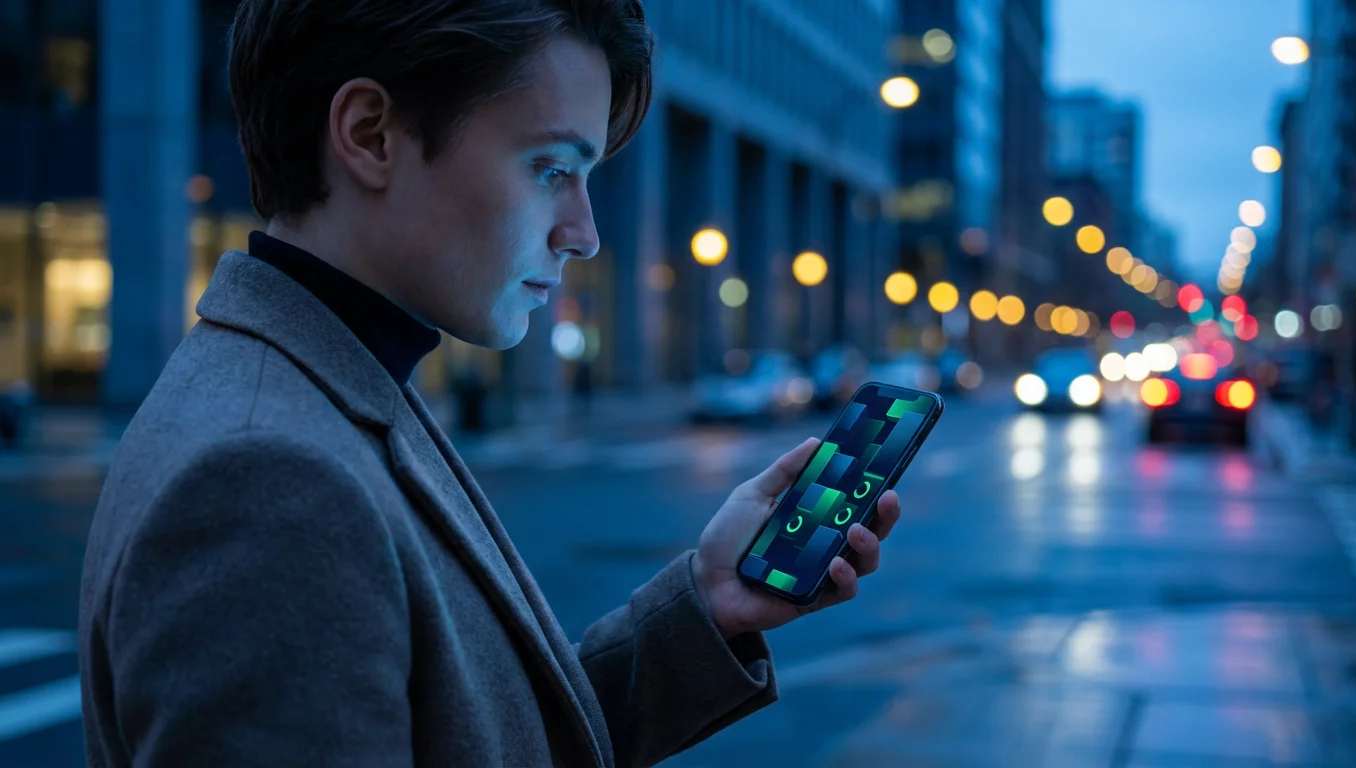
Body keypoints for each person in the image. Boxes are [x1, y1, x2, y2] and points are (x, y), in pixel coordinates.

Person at [77, 1, 903, 765]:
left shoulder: (330, 380)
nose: (584, 234)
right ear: (371, 134)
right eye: (550, 168)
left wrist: (705, 609)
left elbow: (478, 738)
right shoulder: (268, 485)